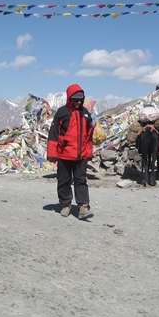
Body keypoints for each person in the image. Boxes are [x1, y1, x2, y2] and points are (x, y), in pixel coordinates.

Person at [47, 84, 95, 220]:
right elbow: (54, 134)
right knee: (64, 180)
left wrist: (88, 152)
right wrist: (52, 155)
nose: (78, 102)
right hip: (64, 154)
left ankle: (83, 206)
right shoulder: (62, 113)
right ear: (69, 99)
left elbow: (89, 135)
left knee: (81, 180)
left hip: (81, 156)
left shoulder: (85, 114)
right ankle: (65, 204)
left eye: (80, 99)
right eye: (75, 100)